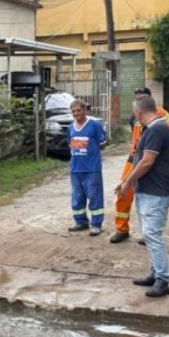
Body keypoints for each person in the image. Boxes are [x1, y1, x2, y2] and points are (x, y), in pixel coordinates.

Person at [115, 95, 169, 298]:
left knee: (152, 235)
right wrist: (126, 181)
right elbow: (139, 159)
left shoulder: (157, 129)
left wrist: (127, 182)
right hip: (148, 190)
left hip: (156, 192)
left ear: (139, 112)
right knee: (148, 234)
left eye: (135, 111)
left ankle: (162, 280)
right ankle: (155, 272)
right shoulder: (152, 129)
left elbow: (147, 161)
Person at [111, 87, 169, 243]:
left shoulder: (163, 116)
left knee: (149, 197)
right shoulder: (134, 116)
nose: (139, 99)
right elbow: (134, 138)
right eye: (137, 97)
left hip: (150, 158)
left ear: (149, 100)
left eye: (142, 97)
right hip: (134, 158)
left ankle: (148, 232)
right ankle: (121, 229)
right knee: (123, 191)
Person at [66, 99, 107, 236]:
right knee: (77, 196)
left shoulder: (94, 125)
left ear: (85, 110)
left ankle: (96, 224)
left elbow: (102, 143)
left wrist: (91, 152)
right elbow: (70, 143)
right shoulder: (70, 127)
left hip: (92, 169)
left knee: (95, 196)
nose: (76, 113)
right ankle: (80, 221)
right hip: (75, 168)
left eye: (78, 110)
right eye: (73, 111)